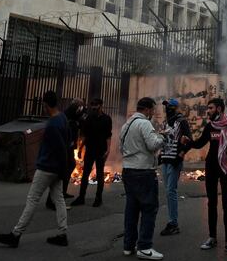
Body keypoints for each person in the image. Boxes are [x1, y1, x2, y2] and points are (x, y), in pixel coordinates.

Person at [0, 90, 70, 248]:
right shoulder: (62, 118)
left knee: (32, 200)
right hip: (56, 169)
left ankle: (16, 234)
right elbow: (67, 143)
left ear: (45, 104)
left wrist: (62, 168)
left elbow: (60, 149)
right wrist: (63, 170)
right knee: (59, 199)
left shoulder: (52, 125)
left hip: (47, 167)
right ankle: (62, 233)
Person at [181, 97, 227, 255]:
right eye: (207, 108)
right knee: (211, 203)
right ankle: (212, 237)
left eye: (210, 108)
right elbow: (200, 143)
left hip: (226, 168)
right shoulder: (210, 126)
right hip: (211, 167)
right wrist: (188, 141)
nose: (207, 111)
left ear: (219, 109)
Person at [120, 97, 165, 259]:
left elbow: (121, 147)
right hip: (143, 172)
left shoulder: (127, 125)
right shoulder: (145, 123)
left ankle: (128, 245)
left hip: (128, 171)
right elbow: (153, 144)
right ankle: (145, 247)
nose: (153, 113)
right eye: (152, 110)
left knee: (131, 209)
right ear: (146, 109)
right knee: (149, 208)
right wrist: (162, 137)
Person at [159, 98, 191, 236]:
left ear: (176, 108)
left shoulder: (181, 121)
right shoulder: (165, 122)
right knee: (168, 191)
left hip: (174, 160)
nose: (168, 109)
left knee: (171, 191)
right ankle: (172, 221)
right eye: (166, 107)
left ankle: (173, 223)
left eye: (170, 107)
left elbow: (189, 139)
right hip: (165, 159)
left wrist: (182, 153)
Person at [73, 97, 113, 207]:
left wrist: (108, 149)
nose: (94, 108)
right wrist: (80, 149)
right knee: (85, 173)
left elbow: (108, 136)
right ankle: (81, 197)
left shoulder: (106, 119)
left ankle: (98, 198)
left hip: (101, 150)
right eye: (92, 106)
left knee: (100, 174)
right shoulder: (89, 118)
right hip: (90, 149)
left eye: (96, 106)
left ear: (101, 105)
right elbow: (85, 135)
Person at [47, 99, 85, 210]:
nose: (81, 108)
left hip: (69, 146)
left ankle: (62, 192)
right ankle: (52, 200)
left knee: (69, 167)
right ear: (76, 105)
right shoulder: (68, 114)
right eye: (80, 106)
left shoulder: (73, 114)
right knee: (62, 172)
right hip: (65, 146)